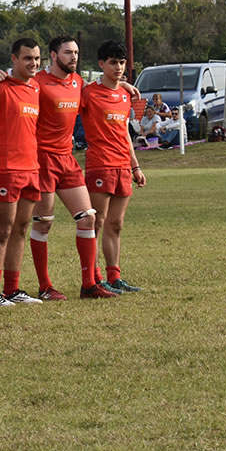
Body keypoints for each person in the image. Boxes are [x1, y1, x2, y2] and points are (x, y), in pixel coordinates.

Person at [27, 37, 100, 301]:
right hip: (42, 159)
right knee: (43, 224)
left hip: (67, 158)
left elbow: (96, 94)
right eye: (68, 52)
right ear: (53, 56)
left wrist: (122, 84)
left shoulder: (77, 82)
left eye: (77, 52)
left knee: (87, 217)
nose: (74, 57)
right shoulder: (36, 82)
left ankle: (89, 284)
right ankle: (45, 286)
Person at [0, 38, 44, 307]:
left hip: (31, 168)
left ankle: (13, 288)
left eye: (37, 59)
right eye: (28, 58)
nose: (33, 64)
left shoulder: (36, 88)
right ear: (14, 59)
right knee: (2, 231)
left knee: (20, 229)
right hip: (4, 169)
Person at [79, 41, 147, 296]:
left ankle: (114, 276)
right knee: (96, 223)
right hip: (100, 165)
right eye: (113, 63)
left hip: (122, 166)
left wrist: (136, 166)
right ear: (101, 65)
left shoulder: (125, 95)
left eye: (121, 63)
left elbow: (125, 135)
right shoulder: (88, 93)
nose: (118, 67)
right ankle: (94, 279)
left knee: (116, 224)